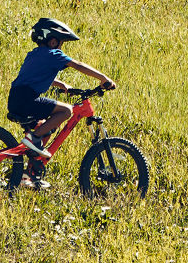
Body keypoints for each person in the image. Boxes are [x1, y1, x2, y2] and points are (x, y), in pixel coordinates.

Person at [7, 17, 116, 183]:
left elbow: (33, 76)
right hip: (27, 99)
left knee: (46, 127)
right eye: (61, 44)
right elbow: (78, 65)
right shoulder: (53, 53)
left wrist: (62, 84)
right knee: (66, 111)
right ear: (52, 42)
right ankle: (32, 138)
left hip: (16, 98)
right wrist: (103, 78)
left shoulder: (33, 55)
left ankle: (29, 174)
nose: (61, 48)